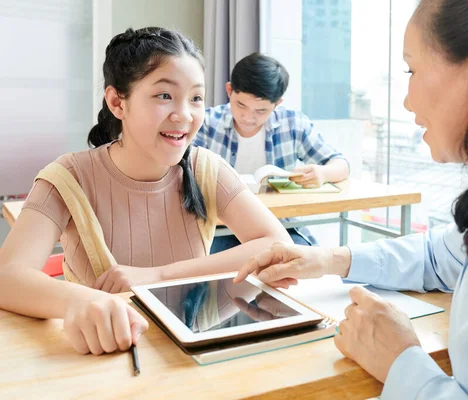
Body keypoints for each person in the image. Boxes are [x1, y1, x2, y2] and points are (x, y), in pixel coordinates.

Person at [235, 0, 468, 398]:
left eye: (412, 69)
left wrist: (402, 363)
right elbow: (435, 257)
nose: (407, 100)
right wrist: (328, 261)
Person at [0, 27, 292, 357]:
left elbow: (277, 245)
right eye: (164, 95)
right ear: (117, 102)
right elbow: (8, 277)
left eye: (196, 98)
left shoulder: (205, 168)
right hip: (100, 361)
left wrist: (157, 276)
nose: (185, 115)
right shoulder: (67, 177)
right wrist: (87, 300)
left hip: (186, 355)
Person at [192, 53, 350, 253]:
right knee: (205, 265)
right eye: (241, 105)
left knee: (305, 261)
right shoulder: (206, 123)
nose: (248, 117)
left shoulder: (293, 124)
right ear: (229, 90)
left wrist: (323, 173)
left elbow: (341, 163)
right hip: (220, 228)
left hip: (280, 225)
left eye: (261, 111)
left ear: (277, 103)